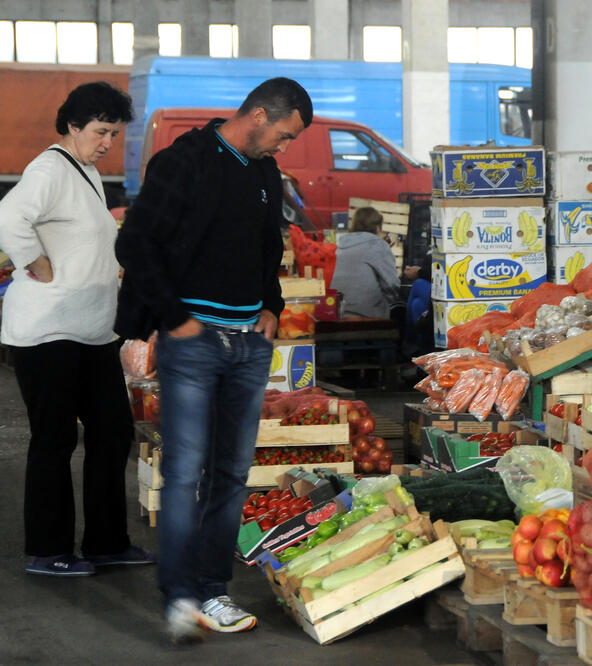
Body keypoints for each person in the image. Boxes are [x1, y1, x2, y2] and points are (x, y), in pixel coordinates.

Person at [114, 78, 312, 643]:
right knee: (183, 476)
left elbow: (268, 246)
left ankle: (212, 589)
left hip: (249, 344)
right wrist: (175, 317)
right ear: (258, 115)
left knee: (230, 474)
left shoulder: (265, 173)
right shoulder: (185, 163)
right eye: (284, 134)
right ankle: (179, 599)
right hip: (194, 342)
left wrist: (272, 306)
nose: (285, 147)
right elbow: (136, 245)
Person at [0, 82, 153, 577]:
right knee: (55, 438)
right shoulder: (49, 168)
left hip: (90, 332)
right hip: (48, 332)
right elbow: (7, 216)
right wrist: (34, 261)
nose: (108, 141)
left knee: (112, 432)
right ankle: (49, 550)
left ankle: (107, 542)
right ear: (72, 126)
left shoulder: (83, 169)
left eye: (113, 132)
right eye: (101, 131)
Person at [327, 206, 401, 319]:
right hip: (366, 315)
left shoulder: (340, 246)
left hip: (335, 313)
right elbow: (392, 285)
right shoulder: (378, 245)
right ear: (377, 227)